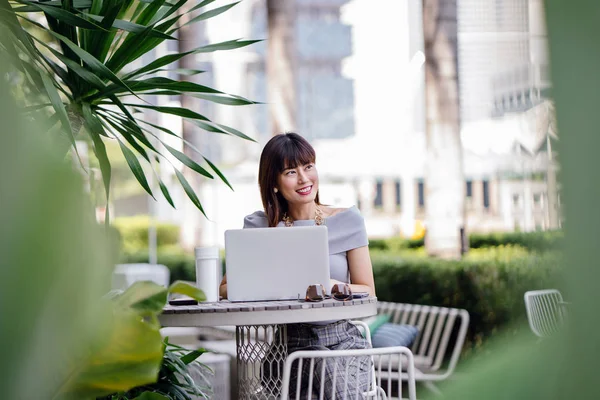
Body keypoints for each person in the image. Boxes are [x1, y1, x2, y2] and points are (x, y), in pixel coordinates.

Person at [219, 132, 376, 398]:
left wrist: (332, 285)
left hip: (341, 342)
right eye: (291, 172)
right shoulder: (261, 226)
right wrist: (276, 284)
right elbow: (225, 289)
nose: (304, 179)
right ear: (275, 183)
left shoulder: (347, 220)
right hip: (288, 345)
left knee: (327, 371)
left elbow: (368, 290)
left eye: (308, 167)